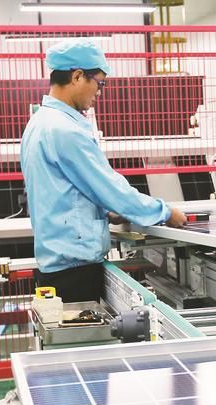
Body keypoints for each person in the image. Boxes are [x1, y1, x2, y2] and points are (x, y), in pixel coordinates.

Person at [21, 39, 186, 302]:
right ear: (77, 76)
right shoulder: (64, 130)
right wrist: (165, 213)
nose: (99, 92)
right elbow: (109, 188)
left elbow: (64, 191)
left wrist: (103, 212)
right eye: (99, 83)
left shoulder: (39, 122)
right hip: (75, 274)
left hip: (59, 268)